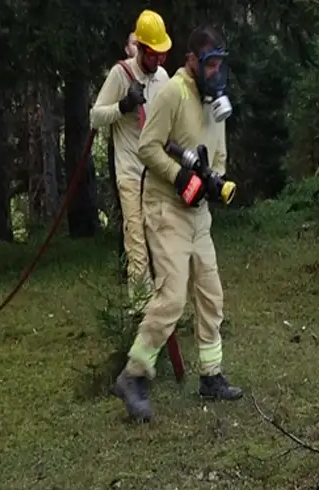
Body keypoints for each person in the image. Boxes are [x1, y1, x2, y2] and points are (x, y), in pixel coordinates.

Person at [114, 25, 242, 422]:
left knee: (211, 292)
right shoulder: (173, 93)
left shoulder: (215, 103)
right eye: (210, 65)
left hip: (197, 213)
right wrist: (179, 176)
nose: (216, 73)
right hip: (164, 207)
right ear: (192, 62)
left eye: (220, 65)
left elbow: (218, 158)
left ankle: (211, 375)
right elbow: (148, 147)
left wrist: (209, 181)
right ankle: (134, 376)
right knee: (171, 297)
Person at [90, 9, 171, 300]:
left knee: (160, 237)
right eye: (154, 54)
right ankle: (141, 310)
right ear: (142, 49)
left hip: (158, 171)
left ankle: (164, 304)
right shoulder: (120, 74)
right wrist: (123, 106)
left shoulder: (162, 76)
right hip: (130, 173)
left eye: (163, 54)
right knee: (135, 239)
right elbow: (95, 116)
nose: (159, 60)